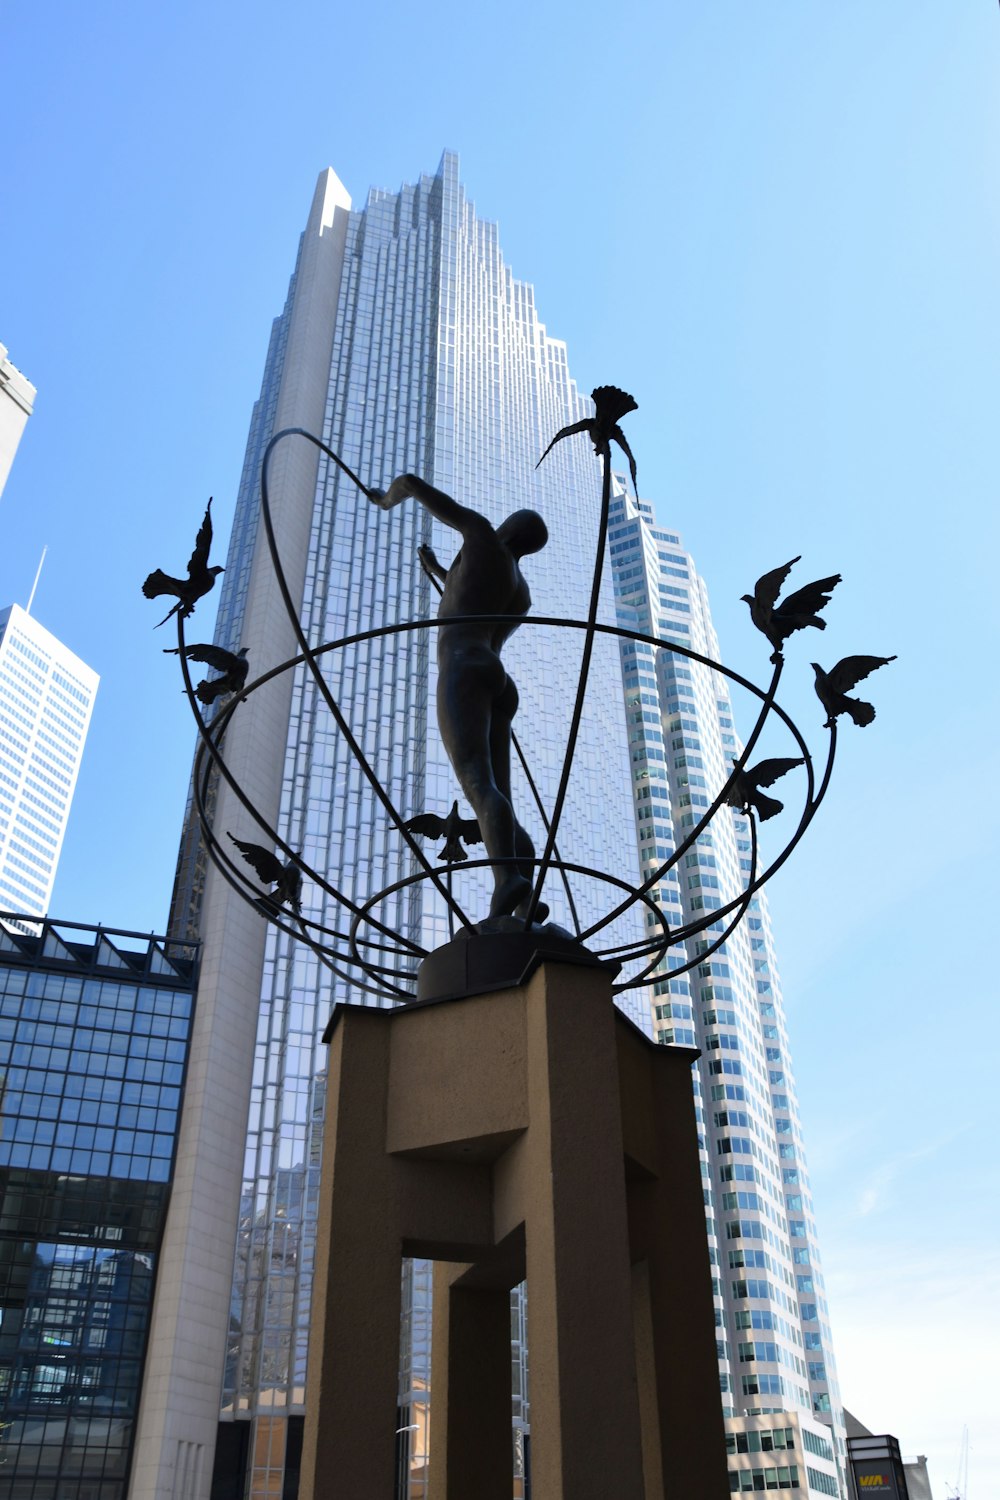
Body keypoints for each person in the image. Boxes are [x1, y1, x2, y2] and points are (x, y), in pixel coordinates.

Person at [372, 473, 548, 922]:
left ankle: (508, 881)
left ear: (508, 526)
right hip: (498, 679)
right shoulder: (521, 592)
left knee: (478, 785)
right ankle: (527, 898)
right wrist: (436, 569)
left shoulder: (480, 533)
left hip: (463, 668)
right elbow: (467, 595)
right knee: (499, 795)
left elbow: (410, 483)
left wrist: (383, 500)